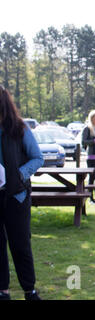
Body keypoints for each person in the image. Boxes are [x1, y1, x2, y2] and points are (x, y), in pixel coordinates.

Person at [0, 85, 44, 300]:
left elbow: (38, 158)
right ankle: (3, 290)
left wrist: (18, 174)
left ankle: (29, 289)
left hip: (16, 196)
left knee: (20, 244)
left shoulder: (19, 128)